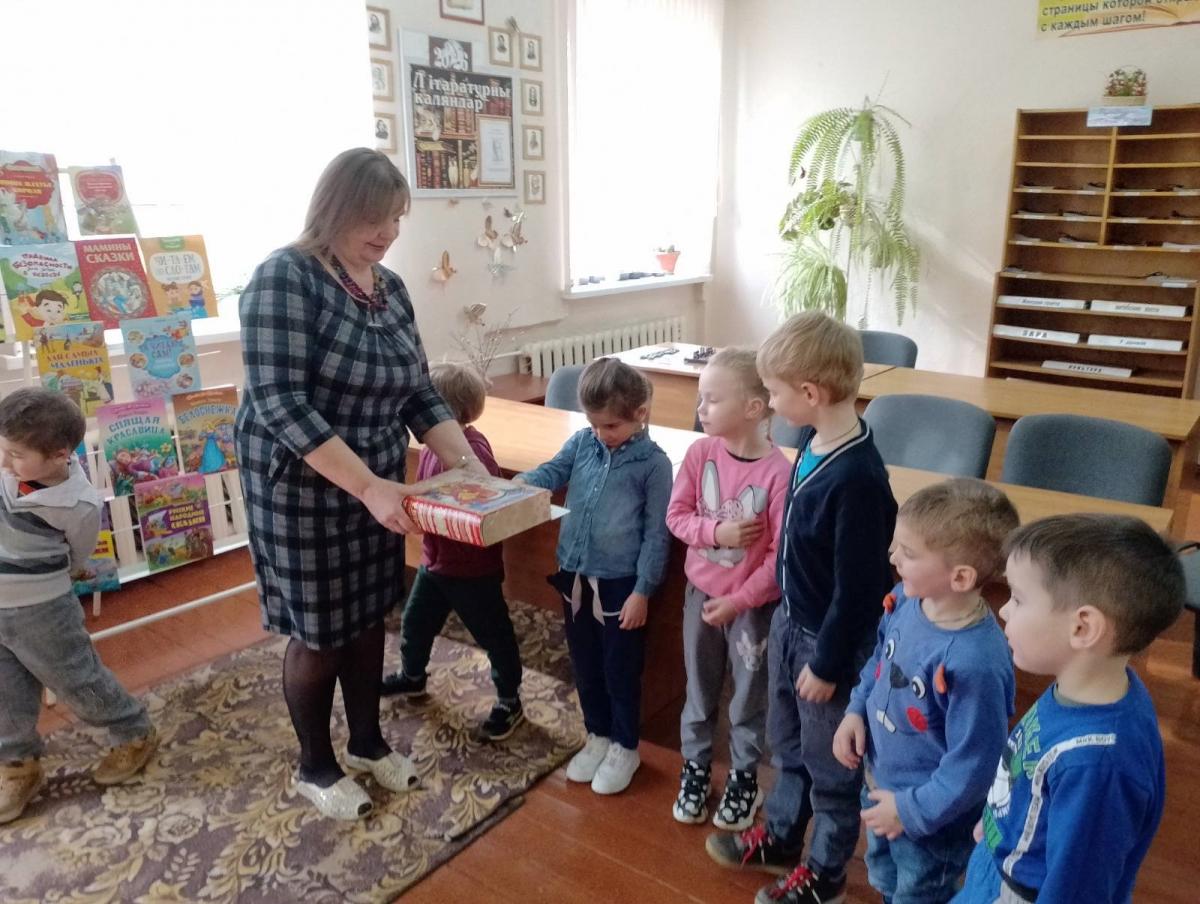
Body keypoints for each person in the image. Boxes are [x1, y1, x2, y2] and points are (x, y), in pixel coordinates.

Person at [236, 148, 486, 821]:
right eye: (375, 218)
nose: (388, 232)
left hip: (378, 486)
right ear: (335, 210)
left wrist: (466, 462)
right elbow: (280, 402)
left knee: (369, 614)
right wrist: (369, 486)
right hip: (302, 486)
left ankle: (368, 742)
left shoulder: (390, 288)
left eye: (397, 218)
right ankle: (315, 766)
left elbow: (417, 391)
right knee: (321, 631)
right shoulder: (283, 278)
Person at [706, 312, 898, 904]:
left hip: (827, 646)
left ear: (810, 393)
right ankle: (785, 836)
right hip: (793, 624)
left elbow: (861, 589)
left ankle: (826, 873)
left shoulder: (859, 478)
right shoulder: (814, 442)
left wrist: (830, 663)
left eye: (774, 391)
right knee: (787, 744)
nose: (770, 401)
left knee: (831, 768)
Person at [953, 514, 1184, 903]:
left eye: (1018, 599)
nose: (1004, 611)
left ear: (1082, 628)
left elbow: (1080, 889)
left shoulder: (1097, 763)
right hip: (999, 859)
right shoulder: (1088, 687)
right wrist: (1000, 824)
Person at [833, 478, 1018, 904]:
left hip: (932, 823)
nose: (891, 556)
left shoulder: (977, 662)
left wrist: (910, 811)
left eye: (908, 552)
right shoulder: (904, 597)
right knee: (886, 879)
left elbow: (975, 766)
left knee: (919, 893)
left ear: (961, 576)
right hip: (880, 786)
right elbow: (880, 660)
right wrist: (855, 710)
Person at [516, 358, 673, 795]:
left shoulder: (654, 465)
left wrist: (643, 591)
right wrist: (524, 483)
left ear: (640, 413)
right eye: (594, 424)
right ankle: (597, 734)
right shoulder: (584, 442)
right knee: (584, 662)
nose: (602, 433)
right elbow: (553, 471)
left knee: (619, 667)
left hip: (621, 584)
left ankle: (625, 745)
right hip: (574, 574)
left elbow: (657, 535)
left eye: (611, 426)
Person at [0, 389, 157, 825]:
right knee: (5, 690)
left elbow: (78, 553)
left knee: (77, 681)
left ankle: (133, 731)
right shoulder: (8, 470)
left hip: (43, 610)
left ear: (59, 455)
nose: (6, 462)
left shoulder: (78, 503)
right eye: (3, 449)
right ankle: (16, 762)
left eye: (17, 456)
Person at [665, 347, 791, 831]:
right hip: (700, 598)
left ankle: (744, 778)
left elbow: (779, 558)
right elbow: (676, 517)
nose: (700, 409)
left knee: (747, 699)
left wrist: (739, 601)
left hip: (751, 609)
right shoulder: (700, 454)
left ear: (754, 408)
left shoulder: (779, 474)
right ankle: (695, 767)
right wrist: (717, 533)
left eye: (712, 399)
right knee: (699, 691)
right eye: (700, 397)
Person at [381, 363, 525, 741]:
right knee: (415, 624)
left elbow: (485, 497)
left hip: (472, 571)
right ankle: (413, 676)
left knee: (493, 635)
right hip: (435, 563)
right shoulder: (431, 449)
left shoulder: (473, 450)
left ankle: (510, 699)